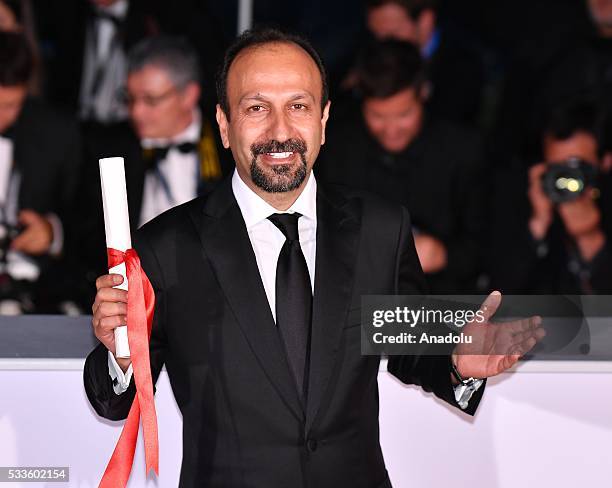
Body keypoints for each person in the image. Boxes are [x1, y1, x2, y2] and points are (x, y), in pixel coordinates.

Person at [84, 28, 544, 487]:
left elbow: (411, 347)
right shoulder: (165, 247)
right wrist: (120, 352)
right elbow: (113, 401)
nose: (280, 130)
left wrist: (457, 359)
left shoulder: (380, 230)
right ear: (224, 125)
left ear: (324, 120)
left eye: (298, 106)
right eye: (257, 108)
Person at [318, 40, 487, 293]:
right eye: (377, 116)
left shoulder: (464, 151)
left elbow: (491, 243)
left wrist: (443, 255)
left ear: (424, 93)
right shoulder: (335, 148)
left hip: (443, 304)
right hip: (355, 303)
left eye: (404, 115)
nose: (391, 130)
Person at [76, 36, 232, 306]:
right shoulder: (109, 148)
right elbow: (86, 237)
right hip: (135, 296)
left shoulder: (227, 146)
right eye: (130, 99)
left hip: (217, 295)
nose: (136, 112)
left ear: (189, 95)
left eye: (151, 100)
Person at [488, 99, 612, 293]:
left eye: (576, 167)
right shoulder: (528, 200)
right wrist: (537, 226)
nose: (567, 180)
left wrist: (590, 240)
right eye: (557, 169)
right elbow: (499, 295)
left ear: (605, 162)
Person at [0, 31, 81, 313]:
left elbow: (84, 219)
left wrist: (51, 232)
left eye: (10, 106)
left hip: (38, 292)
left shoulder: (56, 133)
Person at [364, 0, 485, 126]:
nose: (381, 45)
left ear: (425, 22)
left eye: (392, 35)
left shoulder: (462, 67)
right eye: (375, 34)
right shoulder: (367, 52)